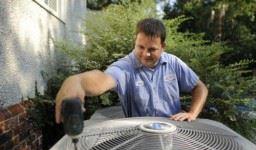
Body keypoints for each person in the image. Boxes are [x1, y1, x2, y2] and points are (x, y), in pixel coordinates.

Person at [55, 18, 208, 123]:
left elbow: (199, 87)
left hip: (173, 133)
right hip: (137, 140)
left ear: (163, 47)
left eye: (152, 49)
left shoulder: (173, 63)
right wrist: (78, 81)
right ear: (135, 42)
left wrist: (192, 113)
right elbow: (103, 79)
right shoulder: (125, 67)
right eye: (140, 47)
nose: (145, 54)